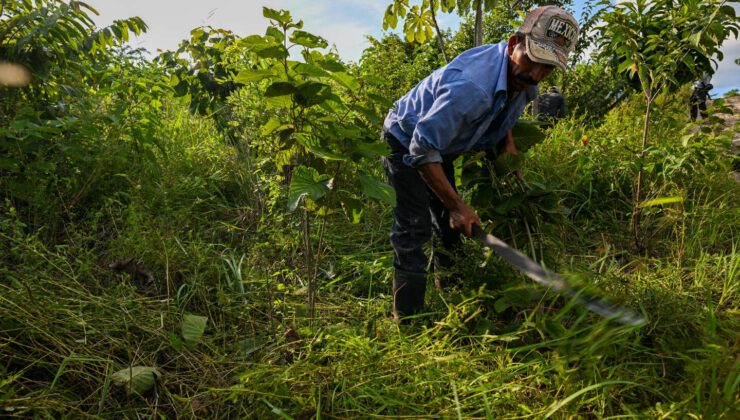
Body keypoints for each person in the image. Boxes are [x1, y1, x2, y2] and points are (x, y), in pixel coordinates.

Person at [381, 6, 580, 322]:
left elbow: (507, 108)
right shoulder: (472, 88)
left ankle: (456, 298)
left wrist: (508, 145)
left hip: (439, 145)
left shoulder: (525, 79)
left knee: (448, 226)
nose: (536, 75)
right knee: (414, 225)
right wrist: (460, 206)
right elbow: (422, 148)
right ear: (515, 42)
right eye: (533, 61)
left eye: (548, 68)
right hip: (407, 139)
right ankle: (408, 323)